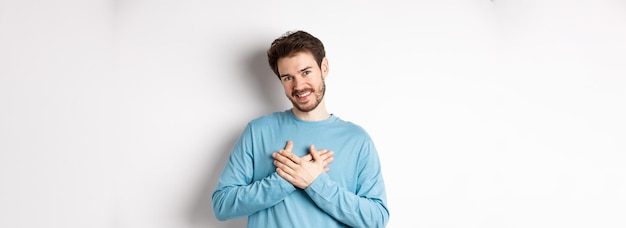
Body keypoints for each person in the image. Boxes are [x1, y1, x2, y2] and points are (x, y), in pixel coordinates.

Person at [212, 30, 390, 228]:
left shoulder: (357, 139)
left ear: (324, 67)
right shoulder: (258, 132)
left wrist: (315, 183)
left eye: (306, 72)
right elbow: (222, 205)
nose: (299, 86)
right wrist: (283, 181)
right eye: (288, 78)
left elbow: (376, 219)